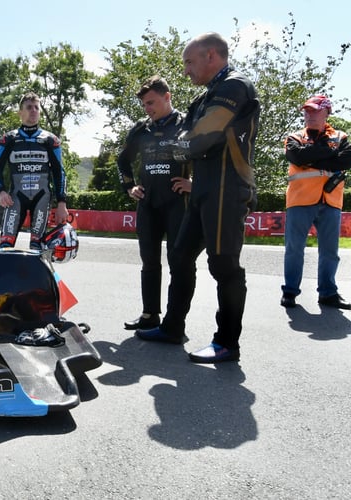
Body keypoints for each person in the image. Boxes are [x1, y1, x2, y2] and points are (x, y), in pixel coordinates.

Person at [135, 32, 260, 364]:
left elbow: (200, 137)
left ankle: (226, 343)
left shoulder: (235, 86)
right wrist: (179, 145)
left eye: (190, 62)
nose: (187, 69)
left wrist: (174, 146)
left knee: (223, 265)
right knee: (180, 255)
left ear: (211, 56)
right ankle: (173, 328)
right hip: (204, 189)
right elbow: (185, 133)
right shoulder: (205, 96)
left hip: (227, 188)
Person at [118, 75, 191, 331]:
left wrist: (194, 184)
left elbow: (208, 156)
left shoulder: (187, 123)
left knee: (178, 262)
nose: (148, 109)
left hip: (177, 204)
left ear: (167, 96)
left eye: (151, 103)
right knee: (149, 261)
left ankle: (173, 321)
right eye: (144, 105)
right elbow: (122, 160)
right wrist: (130, 186)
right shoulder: (141, 128)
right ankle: (150, 315)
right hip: (148, 204)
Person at [281, 95, 351, 309]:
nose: (309, 114)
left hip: (331, 200)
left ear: (327, 112)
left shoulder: (341, 136)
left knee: (330, 251)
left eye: (314, 110)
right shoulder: (294, 137)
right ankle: (290, 292)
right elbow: (297, 158)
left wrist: (313, 156)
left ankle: (328, 293)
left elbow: (346, 160)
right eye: (307, 111)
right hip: (300, 200)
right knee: (294, 249)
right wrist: (329, 152)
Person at [0, 92, 69, 250]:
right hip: (15, 199)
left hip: (42, 198)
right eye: (29, 107)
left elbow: (59, 172)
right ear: (20, 112)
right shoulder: (8, 139)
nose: (33, 110)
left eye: (36, 107)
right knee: (5, 245)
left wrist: (62, 203)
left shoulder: (51, 140)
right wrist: (1, 191)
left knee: (37, 247)